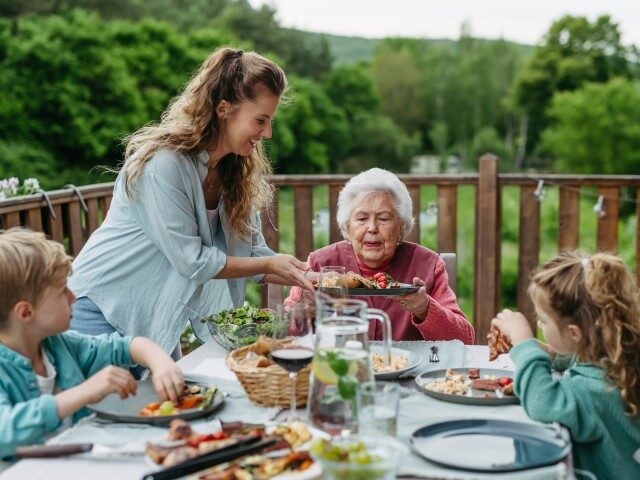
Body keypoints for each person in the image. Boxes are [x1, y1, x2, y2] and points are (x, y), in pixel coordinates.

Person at [68, 47, 314, 359]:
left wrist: (317, 278)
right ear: (224, 109)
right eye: (260, 120)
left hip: (156, 321)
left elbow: (254, 256)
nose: (267, 133)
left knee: (172, 407)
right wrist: (268, 264)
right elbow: (193, 260)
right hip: (99, 310)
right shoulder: (163, 165)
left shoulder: (232, 173)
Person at [0, 228, 185, 459]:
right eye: (62, 291)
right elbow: (4, 433)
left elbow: (125, 346)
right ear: (26, 312)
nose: (73, 297)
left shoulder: (61, 345)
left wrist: (160, 362)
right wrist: (85, 392)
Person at [491, 251, 640, 480]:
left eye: (543, 320)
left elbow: (543, 402)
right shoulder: (618, 357)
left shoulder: (592, 393)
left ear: (574, 333)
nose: (539, 324)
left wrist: (524, 342)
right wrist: (548, 354)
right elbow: (580, 359)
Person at [285, 168, 474, 343]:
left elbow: (465, 340)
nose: (372, 228)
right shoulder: (319, 263)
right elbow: (282, 334)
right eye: (361, 218)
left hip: (407, 375)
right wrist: (301, 314)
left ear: (401, 227)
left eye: (383, 218)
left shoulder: (428, 266)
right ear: (347, 226)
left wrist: (425, 308)